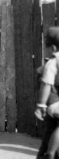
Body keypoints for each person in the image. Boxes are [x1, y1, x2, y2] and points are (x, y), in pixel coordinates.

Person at [35, 26, 59, 159]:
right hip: (55, 104)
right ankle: (50, 153)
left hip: (53, 103)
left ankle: (49, 152)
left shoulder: (52, 63)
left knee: (49, 134)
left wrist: (41, 105)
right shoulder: (52, 64)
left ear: (53, 48)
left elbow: (45, 84)